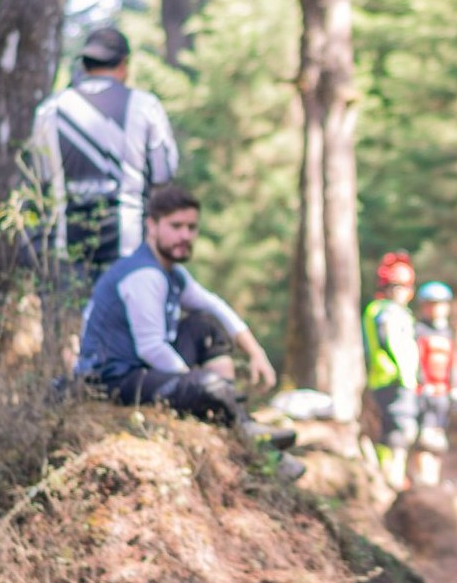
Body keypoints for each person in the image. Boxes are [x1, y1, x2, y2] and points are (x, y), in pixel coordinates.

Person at [75, 184, 294, 451]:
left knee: (205, 327)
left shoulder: (173, 273)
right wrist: (195, 384)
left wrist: (255, 352)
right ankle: (244, 431)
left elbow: (215, 306)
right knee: (204, 385)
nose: (185, 235)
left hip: (142, 370)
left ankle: (243, 429)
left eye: (191, 228)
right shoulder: (145, 275)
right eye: (176, 226)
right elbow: (151, 347)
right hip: (113, 380)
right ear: (152, 226)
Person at [31, 26, 180, 282]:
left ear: (85, 65)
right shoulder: (145, 105)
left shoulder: (51, 109)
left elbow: (39, 174)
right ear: (124, 65)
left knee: (72, 321)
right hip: (130, 245)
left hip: (68, 246)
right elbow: (164, 172)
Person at [363, 253, 423, 491]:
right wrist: (403, 372)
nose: (403, 292)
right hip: (393, 379)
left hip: (398, 379)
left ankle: (391, 476)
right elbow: (388, 341)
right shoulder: (385, 311)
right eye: (398, 286)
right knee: (398, 431)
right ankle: (391, 479)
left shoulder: (394, 312)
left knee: (397, 430)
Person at [413, 280, 457, 458]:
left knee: (439, 437)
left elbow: (452, 362)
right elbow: (416, 360)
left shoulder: (448, 332)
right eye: (431, 305)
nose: (436, 309)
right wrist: (422, 383)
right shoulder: (418, 330)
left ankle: (433, 479)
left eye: (440, 304)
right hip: (424, 392)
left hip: (443, 393)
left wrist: (455, 387)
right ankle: (422, 479)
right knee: (424, 438)